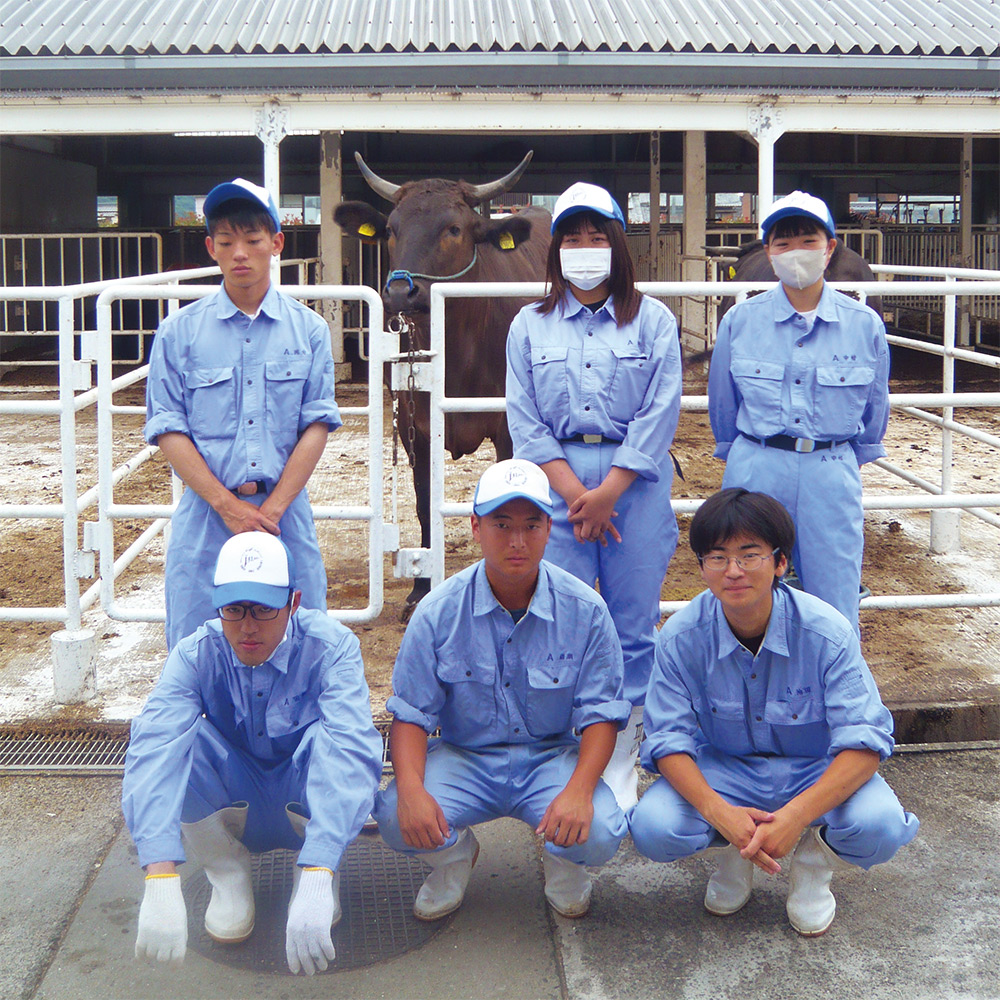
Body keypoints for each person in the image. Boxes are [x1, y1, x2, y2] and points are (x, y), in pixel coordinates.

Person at [630, 488, 918, 936]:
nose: (734, 571)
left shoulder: (827, 633)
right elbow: (667, 741)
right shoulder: (680, 636)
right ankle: (733, 851)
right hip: (726, 770)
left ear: (781, 562)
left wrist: (798, 816)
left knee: (879, 826)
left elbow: (865, 742)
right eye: (717, 557)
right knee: (654, 827)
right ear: (702, 566)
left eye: (750, 555)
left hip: (812, 770)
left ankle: (813, 863)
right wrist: (721, 813)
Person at [374, 459, 630, 920]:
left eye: (532, 525)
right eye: (501, 524)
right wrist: (410, 789)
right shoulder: (436, 613)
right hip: (465, 757)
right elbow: (411, 715)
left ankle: (563, 857)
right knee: (395, 814)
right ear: (475, 527)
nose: (517, 540)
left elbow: (602, 715)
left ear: (549, 528)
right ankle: (452, 856)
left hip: (551, 758)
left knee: (603, 830)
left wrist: (579, 790)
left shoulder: (587, 611)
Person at [122, 532, 383, 975]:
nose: (247, 626)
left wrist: (322, 866)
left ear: (294, 602)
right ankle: (227, 872)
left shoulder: (333, 647)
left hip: (304, 788)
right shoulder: (195, 653)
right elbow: (154, 745)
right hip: (236, 787)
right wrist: (159, 872)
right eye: (234, 608)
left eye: (264, 609)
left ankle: (317, 873)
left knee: (332, 740)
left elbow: (350, 747)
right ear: (217, 604)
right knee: (180, 744)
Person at [505, 181, 682, 809]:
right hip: (558, 486)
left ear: (617, 242)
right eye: (573, 237)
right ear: (555, 250)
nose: (585, 247)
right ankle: (571, 747)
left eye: (597, 234)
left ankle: (627, 750)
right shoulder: (530, 325)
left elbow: (662, 412)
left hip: (634, 485)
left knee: (634, 624)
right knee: (561, 622)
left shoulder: (654, 320)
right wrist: (578, 492)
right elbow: (524, 419)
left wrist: (610, 490)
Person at [145, 177, 340, 649]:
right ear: (210, 246)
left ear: (276, 244)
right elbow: (168, 427)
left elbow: (317, 424)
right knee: (196, 639)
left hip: (284, 510)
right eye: (227, 241)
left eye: (253, 241)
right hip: (208, 511)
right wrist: (225, 505)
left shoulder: (310, 330)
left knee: (302, 633)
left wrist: (272, 508)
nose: (240, 254)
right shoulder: (178, 333)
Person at [708, 190, 890, 637]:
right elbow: (723, 406)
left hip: (830, 466)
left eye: (807, 241)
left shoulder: (863, 324)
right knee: (746, 590)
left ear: (829, 248)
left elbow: (874, 411)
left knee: (835, 597)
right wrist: (745, 453)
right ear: (768, 252)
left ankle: (834, 697)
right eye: (783, 243)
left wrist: (842, 458)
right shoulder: (740, 320)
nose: (796, 254)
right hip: (756, 462)